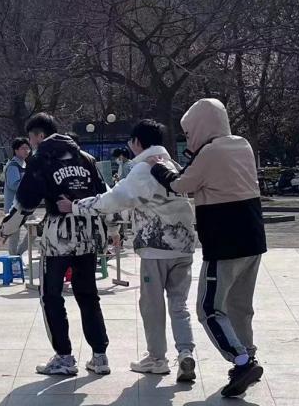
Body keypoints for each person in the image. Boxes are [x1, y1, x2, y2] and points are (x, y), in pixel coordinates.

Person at [59, 119, 197, 380]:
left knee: (152, 305)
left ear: (136, 142)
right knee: (179, 305)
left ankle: (157, 358)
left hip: (157, 247)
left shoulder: (143, 169)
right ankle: (185, 352)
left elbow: (114, 200)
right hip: (184, 245)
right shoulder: (172, 165)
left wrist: (75, 206)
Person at [150, 98, 267, 398]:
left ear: (202, 126)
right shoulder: (242, 144)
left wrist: (158, 168)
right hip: (253, 239)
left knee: (209, 308)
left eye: (190, 133)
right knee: (240, 306)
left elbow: (181, 185)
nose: (189, 139)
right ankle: (248, 353)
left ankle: (241, 361)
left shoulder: (211, 152)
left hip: (225, 241)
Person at [0, 113, 112, 376]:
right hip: (88, 235)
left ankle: (64, 356)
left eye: (31, 138)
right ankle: (100, 355)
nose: (31, 144)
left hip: (58, 237)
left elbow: (24, 203)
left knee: (51, 296)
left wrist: (5, 230)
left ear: (38, 136)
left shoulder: (41, 160)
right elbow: (105, 196)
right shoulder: (87, 159)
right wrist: (113, 229)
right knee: (88, 295)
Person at [2, 137, 31, 256]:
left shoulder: (24, 164)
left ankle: (17, 255)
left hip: (25, 206)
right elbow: (13, 185)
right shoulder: (13, 166)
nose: (26, 151)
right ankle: (14, 258)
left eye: (27, 148)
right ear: (16, 150)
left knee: (35, 231)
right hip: (14, 208)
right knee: (14, 236)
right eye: (23, 148)